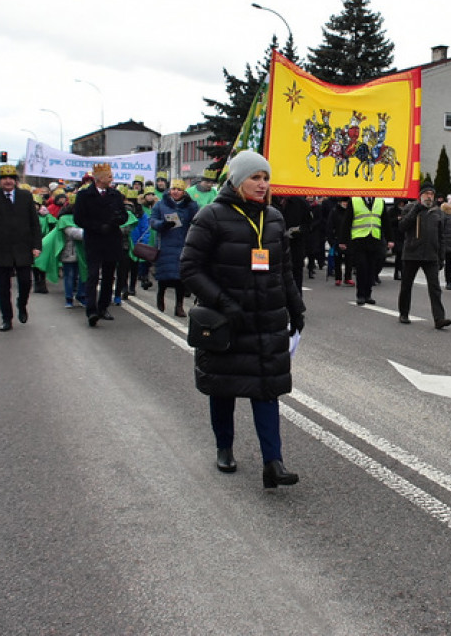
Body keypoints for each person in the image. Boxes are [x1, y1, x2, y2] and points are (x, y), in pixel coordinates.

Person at [180, 150, 305, 488]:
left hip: (267, 320)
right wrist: (224, 303)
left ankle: (273, 462)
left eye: (266, 177)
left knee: (267, 389)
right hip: (226, 324)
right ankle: (224, 447)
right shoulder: (211, 217)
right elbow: (190, 268)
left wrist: (296, 308)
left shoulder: (275, 218)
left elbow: (285, 271)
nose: (262, 184)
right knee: (223, 388)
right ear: (236, 181)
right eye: (255, 177)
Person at [0, 164, 43, 331]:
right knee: (3, 286)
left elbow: (35, 224)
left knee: (25, 282)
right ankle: (6, 318)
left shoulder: (25, 196)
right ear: (0, 181)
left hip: (23, 247)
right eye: (5, 178)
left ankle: (22, 304)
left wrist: (36, 245)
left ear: (16, 181)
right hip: (1, 248)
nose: (8, 181)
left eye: (11, 178)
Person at [73, 162, 128, 327]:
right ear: (99, 178)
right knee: (93, 275)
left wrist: (118, 219)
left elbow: (124, 216)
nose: (111, 178)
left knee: (109, 275)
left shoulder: (115, 195)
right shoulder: (84, 195)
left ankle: (103, 307)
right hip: (94, 240)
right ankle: (91, 310)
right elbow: (79, 219)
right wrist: (97, 226)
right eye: (108, 175)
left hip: (112, 240)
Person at [397, 181, 451, 329]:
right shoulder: (409, 208)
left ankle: (439, 318)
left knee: (435, 288)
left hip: (430, 255)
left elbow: (441, 237)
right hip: (411, 254)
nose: (429, 196)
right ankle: (403, 313)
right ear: (420, 195)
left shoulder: (437, 212)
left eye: (432, 194)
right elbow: (402, 227)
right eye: (427, 193)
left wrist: (441, 256)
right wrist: (416, 210)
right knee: (406, 285)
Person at [150, 179, 198, 316]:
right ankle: (160, 297)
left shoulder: (190, 206)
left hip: (183, 244)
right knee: (164, 277)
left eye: (179, 190)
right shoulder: (160, 204)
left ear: (184, 192)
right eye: (173, 189)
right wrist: (163, 224)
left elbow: (197, 221)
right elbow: (152, 221)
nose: (175, 192)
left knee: (180, 279)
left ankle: (179, 306)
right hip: (165, 244)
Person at [340, 195, 391, 306]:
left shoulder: (380, 201)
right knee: (362, 267)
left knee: (371, 268)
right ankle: (361, 295)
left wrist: (390, 239)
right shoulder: (354, 201)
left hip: (374, 239)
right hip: (359, 239)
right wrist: (343, 240)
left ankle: (368, 294)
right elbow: (347, 221)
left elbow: (385, 222)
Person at [326, 197, 354, 286]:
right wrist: (331, 240)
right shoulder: (334, 211)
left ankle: (348, 278)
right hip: (337, 238)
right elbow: (330, 226)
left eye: (347, 202)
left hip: (349, 238)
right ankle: (338, 278)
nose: (345, 204)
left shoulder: (351, 211)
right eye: (344, 202)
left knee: (349, 259)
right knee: (337, 259)